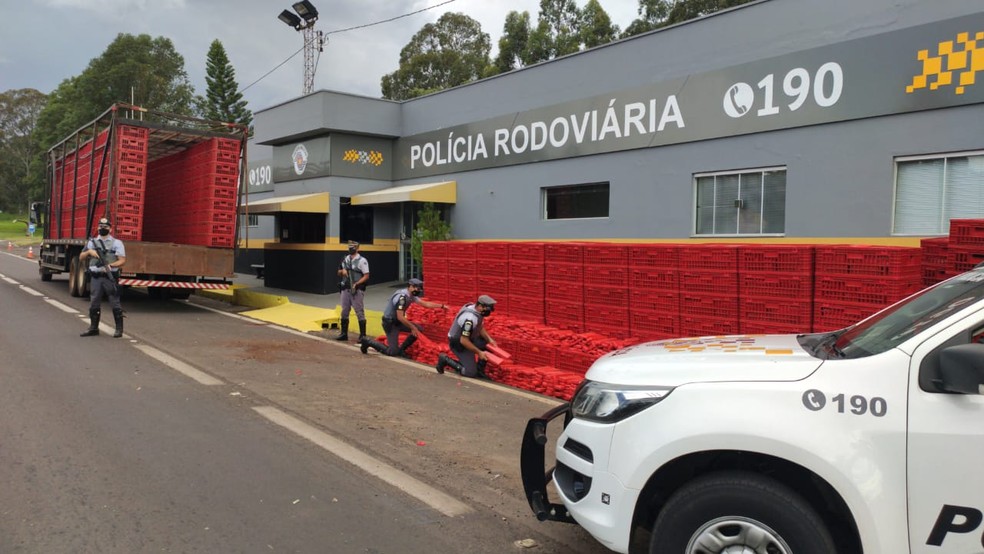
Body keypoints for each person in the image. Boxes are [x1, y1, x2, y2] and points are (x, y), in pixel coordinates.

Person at [360, 278, 447, 357]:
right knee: (392, 352)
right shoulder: (402, 298)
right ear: (411, 287)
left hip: (398, 322)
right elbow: (400, 317)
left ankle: (401, 350)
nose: (419, 290)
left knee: (418, 329)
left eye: (419, 288)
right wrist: (412, 328)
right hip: (390, 323)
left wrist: (441, 306)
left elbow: (425, 304)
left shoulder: (411, 296)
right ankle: (368, 341)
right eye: (417, 288)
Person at [79, 217, 127, 338]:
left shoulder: (117, 243)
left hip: (110, 277)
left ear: (110, 229)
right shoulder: (91, 242)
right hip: (96, 277)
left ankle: (119, 330)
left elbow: (122, 261)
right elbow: (81, 257)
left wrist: (111, 265)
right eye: (100, 226)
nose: (102, 228)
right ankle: (94, 328)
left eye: (105, 227)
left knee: (114, 302)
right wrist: (89, 252)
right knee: (94, 302)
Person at [436, 295, 498, 378]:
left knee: (487, 345)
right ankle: (445, 360)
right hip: (458, 342)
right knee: (470, 372)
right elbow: (464, 340)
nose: (488, 312)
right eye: (487, 309)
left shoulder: (475, 310)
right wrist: (479, 352)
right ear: (480, 306)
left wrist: (490, 340)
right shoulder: (469, 320)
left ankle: (479, 370)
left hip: (469, 338)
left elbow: (480, 327)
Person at [336, 241, 370, 342]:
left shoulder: (362, 261)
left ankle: (362, 335)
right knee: (344, 311)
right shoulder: (346, 259)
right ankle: (344, 334)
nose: (351, 248)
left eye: (353, 247)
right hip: (345, 288)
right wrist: (343, 271)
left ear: (358, 248)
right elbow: (338, 272)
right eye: (349, 247)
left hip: (357, 289)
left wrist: (357, 283)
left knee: (359, 311)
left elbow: (367, 275)